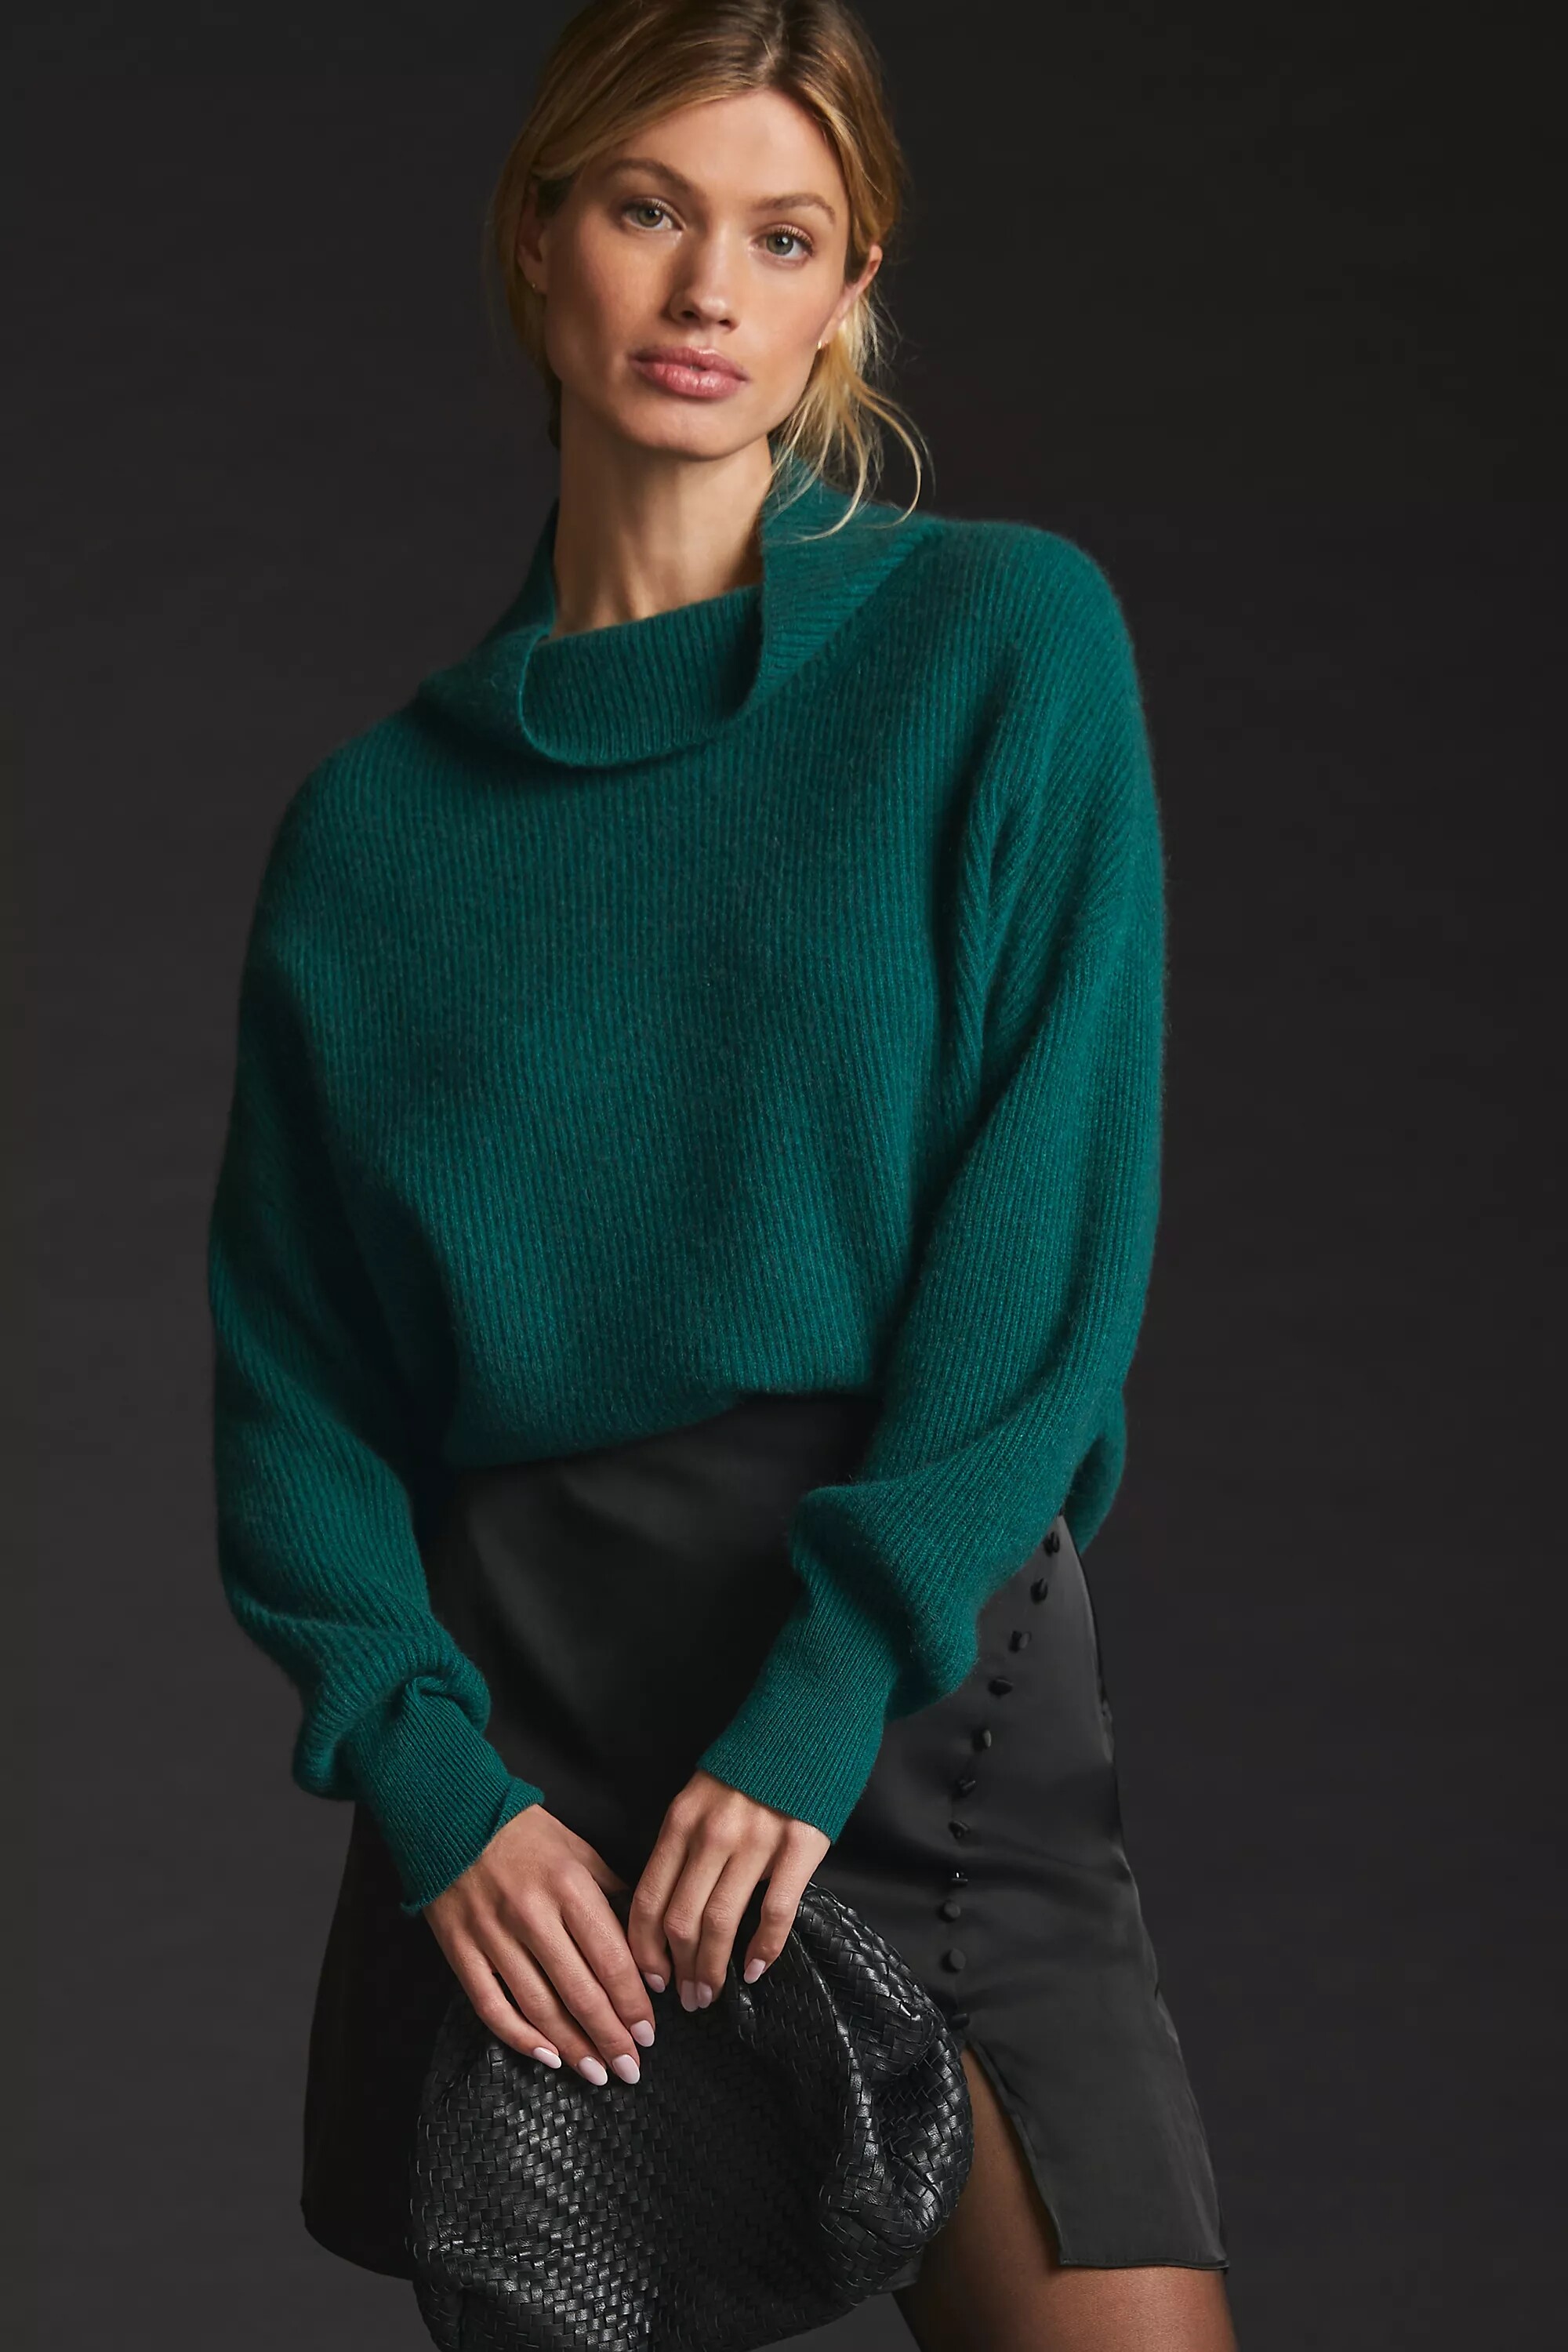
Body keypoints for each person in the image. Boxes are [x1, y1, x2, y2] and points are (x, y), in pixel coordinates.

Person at [205, 2, 1240, 2345]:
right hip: (524, 1756)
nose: (707, 291)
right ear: (538, 237)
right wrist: (432, 1783)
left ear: (849, 289)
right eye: (650, 209)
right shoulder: (370, 838)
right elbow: (299, 1389)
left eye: (783, 237)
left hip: (903, 1662)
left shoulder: (1002, 644)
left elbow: (1045, 1233)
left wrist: (822, 1696)